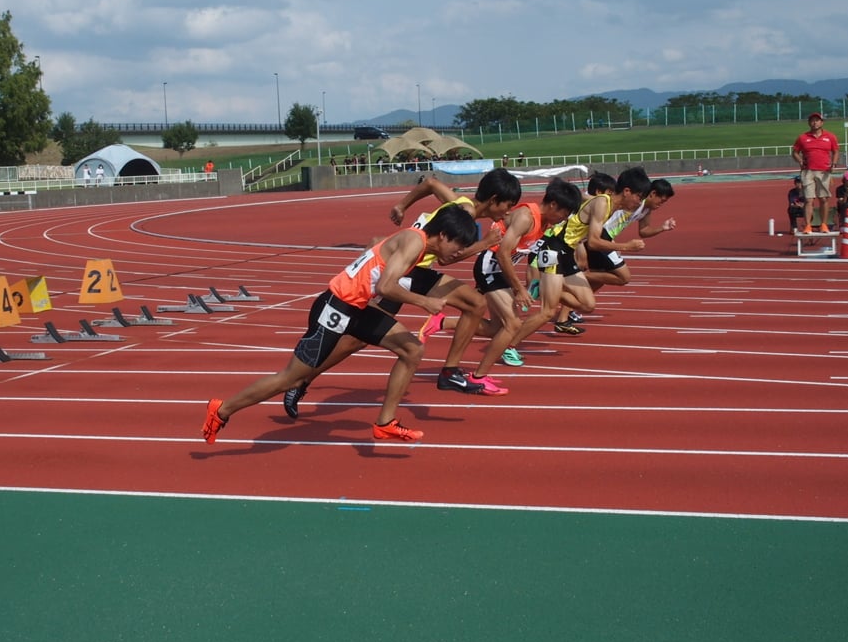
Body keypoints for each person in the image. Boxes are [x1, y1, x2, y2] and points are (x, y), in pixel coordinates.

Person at [202, 205, 479, 444]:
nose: (459, 253)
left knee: (412, 350)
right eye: (458, 246)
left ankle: (385, 424)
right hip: (334, 307)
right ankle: (222, 409)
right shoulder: (415, 242)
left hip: (356, 308)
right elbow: (385, 286)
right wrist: (424, 302)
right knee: (290, 378)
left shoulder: (415, 243)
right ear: (443, 235)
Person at [284, 168, 523, 415]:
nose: (508, 211)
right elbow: (447, 260)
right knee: (353, 340)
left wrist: (402, 205)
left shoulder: (459, 202)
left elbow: (430, 183)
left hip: (416, 272)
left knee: (474, 304)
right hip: (407, 272)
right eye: (508, 205)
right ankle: (301, 378)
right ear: (493, 199)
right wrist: (484, 244)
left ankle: (450, 372)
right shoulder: (465, 212)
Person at [512, 166, 651, 343]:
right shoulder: (603, 203)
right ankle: (509, 346)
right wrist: (627, 246)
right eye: (639, 197)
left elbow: (582, 219)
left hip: (566, 253)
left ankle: (542, 288)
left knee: (588, 304)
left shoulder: (610, 206)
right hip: (554, 248)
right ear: (626, 191)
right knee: (548, 311)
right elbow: (593, 241)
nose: (639, 203)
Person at [469, 177, 581, 377]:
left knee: (496, 328)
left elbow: (528, 254)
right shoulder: (526, 217)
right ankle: (479, 376)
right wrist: (519, 289)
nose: (564, 219)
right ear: (554, 204)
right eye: (564, 213)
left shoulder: (546, 223)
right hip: (489, 265)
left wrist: (535, 282)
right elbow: (503, 254)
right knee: (513, 324)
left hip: (499, 270)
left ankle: (441, 322)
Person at [791, 113, 839, 233]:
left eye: (817, 120)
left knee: (823, 199)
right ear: (809, 123)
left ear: (822, 122)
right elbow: (795, 152)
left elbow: (836, 151)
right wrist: (800, 160)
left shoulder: (830, 137)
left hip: (823, 172)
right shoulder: (803, 137)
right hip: (808, 172)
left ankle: (824, 224)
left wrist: (833, 163)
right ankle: (808, 225)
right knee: (808, 199)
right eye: (812, 121)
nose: (815, 123)